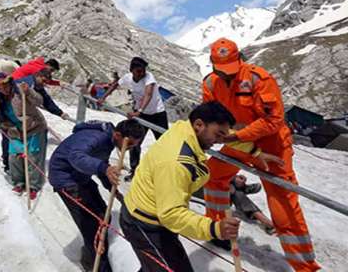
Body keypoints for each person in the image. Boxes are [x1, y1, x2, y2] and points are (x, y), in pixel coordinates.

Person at [202, 37, 320, 271]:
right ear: (213, 65)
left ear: (240, 59)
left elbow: (273, 120)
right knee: (212, 175)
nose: (228, 75)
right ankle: (218, 231)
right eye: (222, 71)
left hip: (271, 146)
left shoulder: (259, 78)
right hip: (239, 142)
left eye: (231, 70)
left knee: (283, 203)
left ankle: (304, 266)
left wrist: (238, 136)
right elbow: (211, 114)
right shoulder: (211, 83)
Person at [120, 101, 242, 272]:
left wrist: (256, 151)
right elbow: (171, 213)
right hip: (145, 224)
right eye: (218, 134)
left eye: (223, 136)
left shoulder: (184, 130)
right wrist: (214, 228)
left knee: (154, 266)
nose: (220, 141)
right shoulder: (176, 162)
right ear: (199, 124)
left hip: (152, 214)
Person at [49, 119, 146, 272]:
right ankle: (96, 266)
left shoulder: (109, 140)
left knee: (103, 215)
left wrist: (110, 186)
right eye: (129, 145)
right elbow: (76, 157)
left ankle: (92, 254)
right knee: (92, 226)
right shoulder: (96, 138)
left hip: (81, 176)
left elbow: (101, 162)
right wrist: (104, 168)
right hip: (66, 180)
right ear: (118, 135)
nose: (129, 149)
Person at [98, 57, 169, 181]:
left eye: (143, 71)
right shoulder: (127, 78)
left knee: (164, 143)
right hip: (142, 115)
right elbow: (115, 85)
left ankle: (165, 172)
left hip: (158, 114)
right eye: (138, 71)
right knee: (135, 142)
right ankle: (135, 171)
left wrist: (138, 111)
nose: (141, 73)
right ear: (131, 70)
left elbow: (148, 94)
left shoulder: (149, 77)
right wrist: (103, 97)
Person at [10, 81, 48, 200]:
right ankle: (19, 182)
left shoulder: (22, 91)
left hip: (35, 128)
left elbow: (40, 101)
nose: (3, 89)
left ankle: (33, 185)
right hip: (15, 130)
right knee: (14, 156)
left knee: (33, 156)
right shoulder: (0, 98)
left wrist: (28, 92)